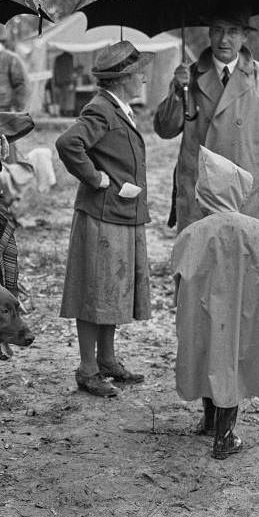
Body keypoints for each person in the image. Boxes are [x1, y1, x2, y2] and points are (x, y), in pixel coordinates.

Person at [56, 41, 153, 397]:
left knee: (111, 289)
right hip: (101, 215)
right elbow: (68, 144)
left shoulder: (120, 107)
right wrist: (96, 178)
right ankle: (87, 368)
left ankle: (108, 359)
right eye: (139, 71)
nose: (144, 76)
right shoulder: (101, 109)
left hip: (120, 212)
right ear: (123, 78)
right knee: (94, 291)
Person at [171, 146, 259, 459]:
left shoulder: (193, 232)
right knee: (230, 363)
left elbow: (179, 273)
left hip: (202, 312)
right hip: (244, 312)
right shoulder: (257, 230)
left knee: (207, 357)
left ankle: (210, 423)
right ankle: (224, 436)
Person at [154, 1, 259, 232]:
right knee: (200, 261)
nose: (224, 40)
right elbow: (165, 130)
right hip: (200, 191)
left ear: (245, 37)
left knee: (243, 261)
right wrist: (176, 91)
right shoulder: (188, 77)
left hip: (246, 192)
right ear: (209, 33)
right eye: (218, 30)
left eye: (232, 32)